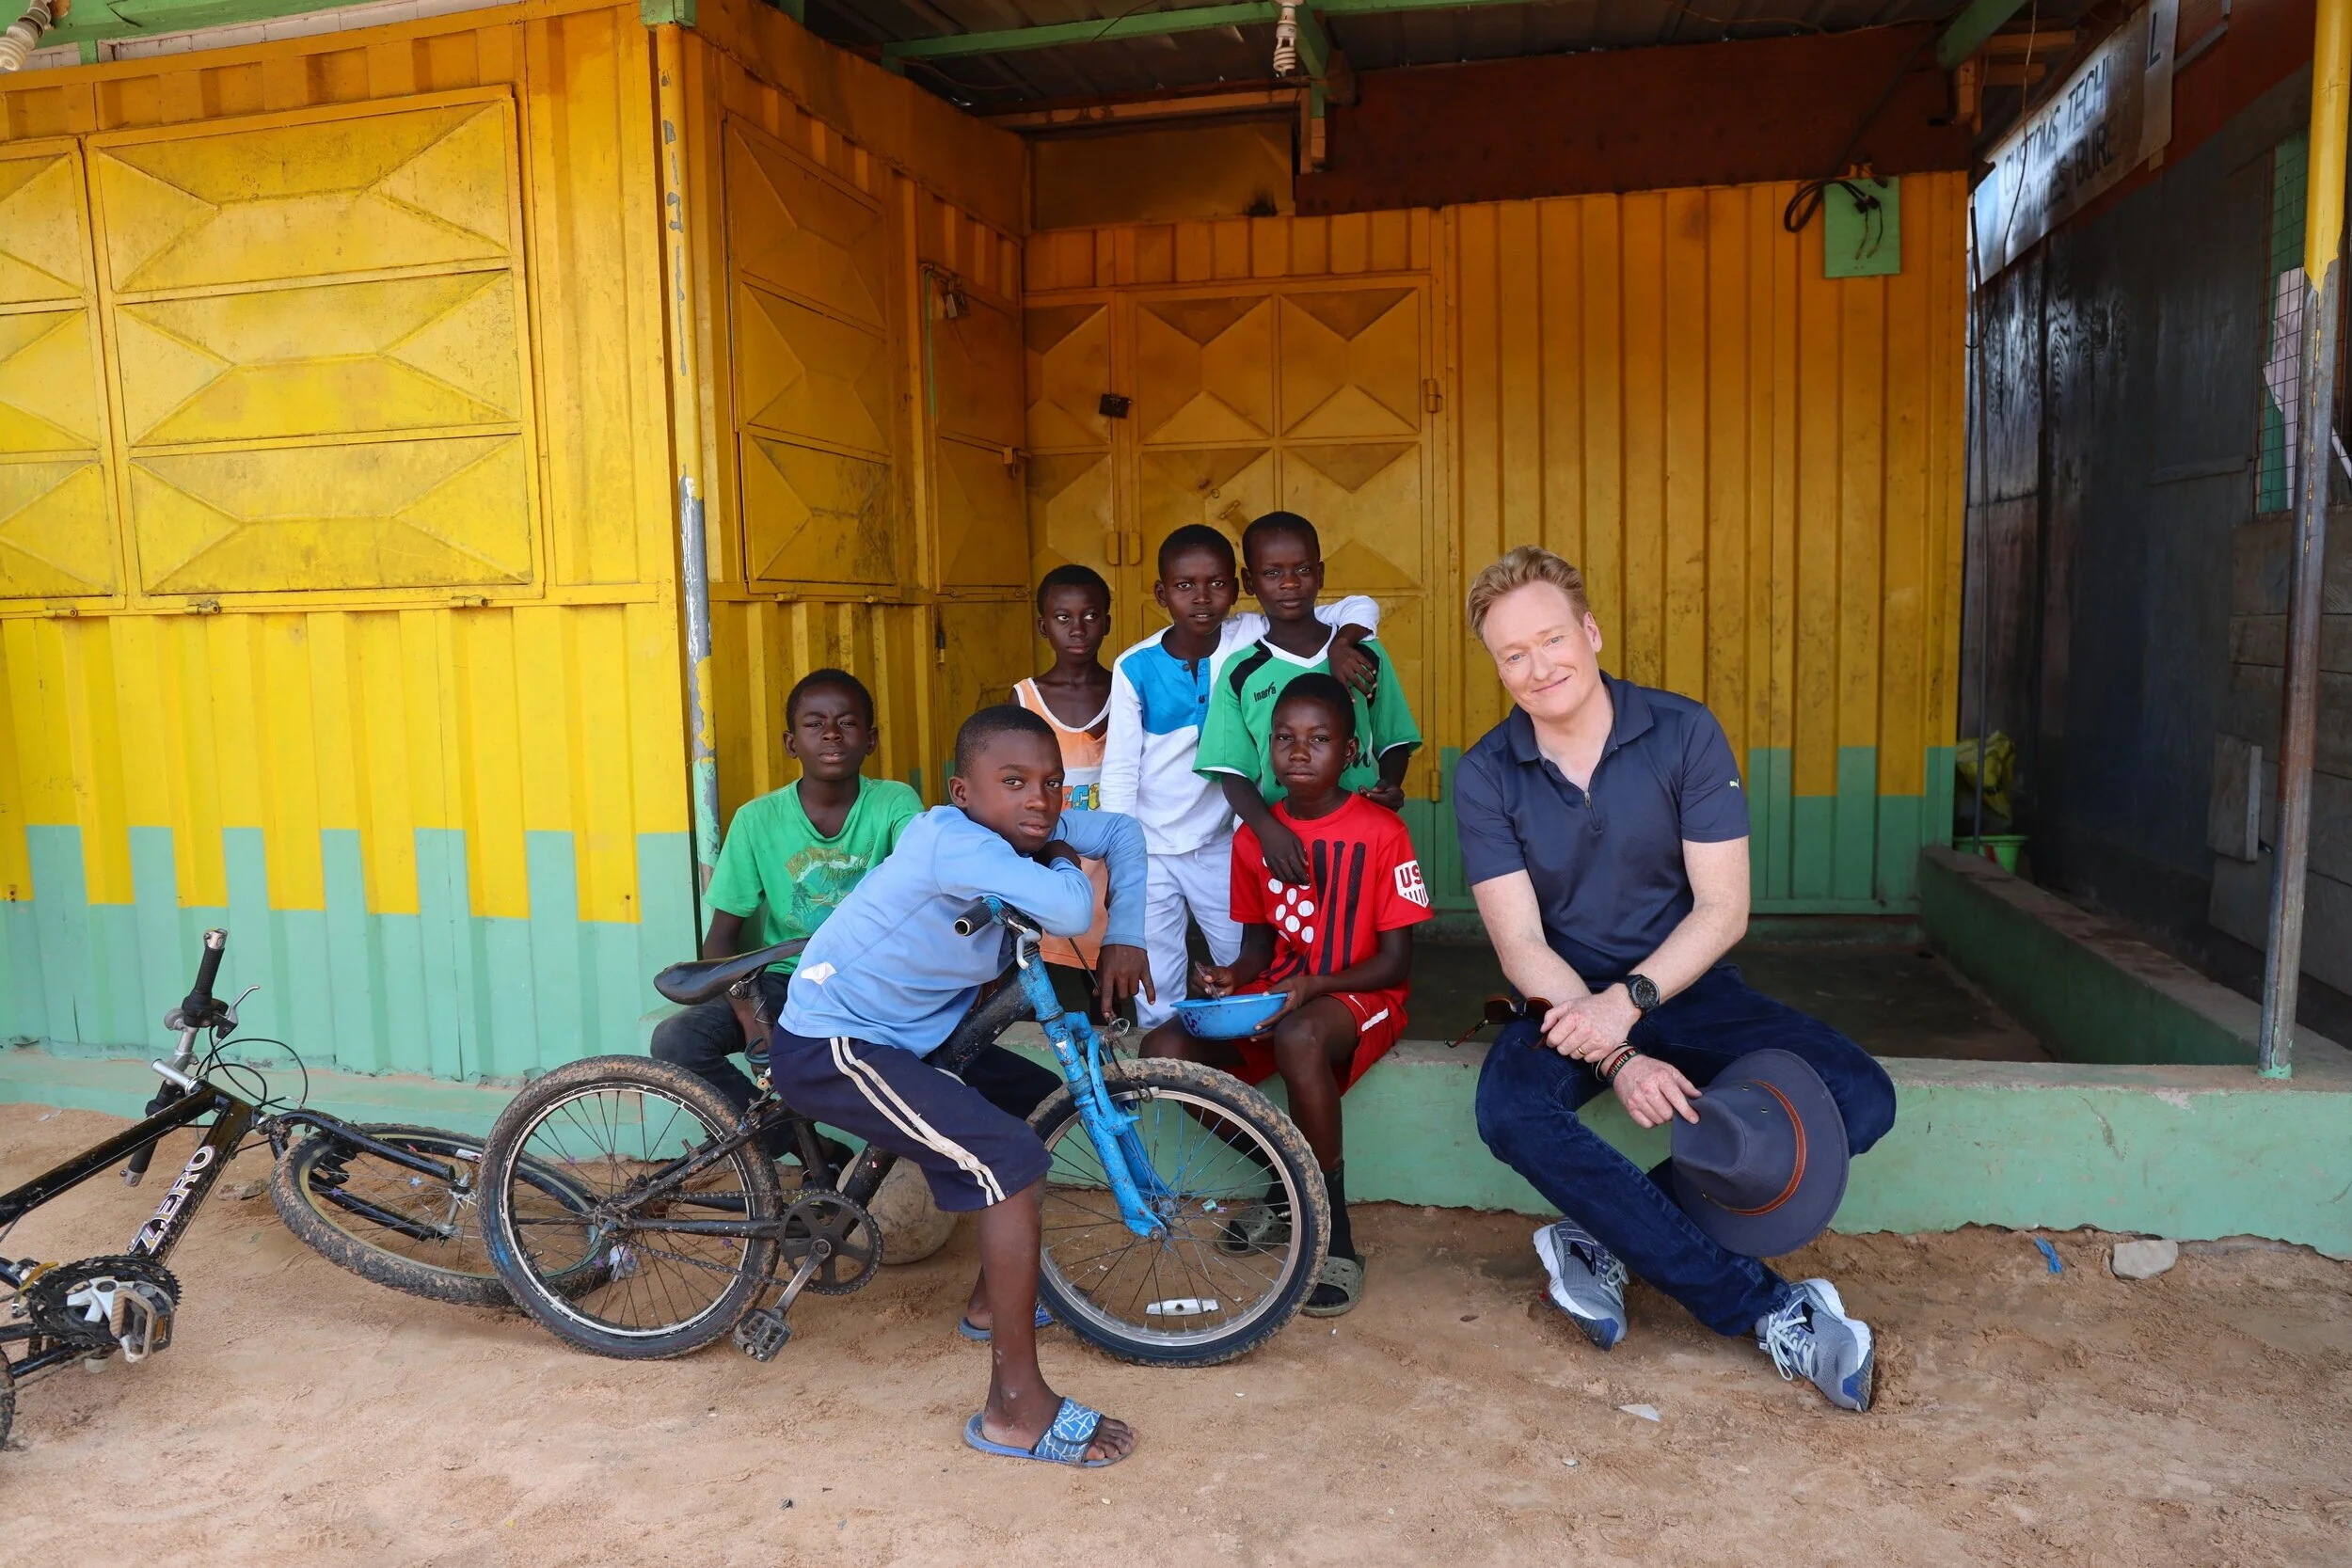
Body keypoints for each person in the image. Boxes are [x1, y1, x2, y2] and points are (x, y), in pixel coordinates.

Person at [1452, 545, 1897, 1414]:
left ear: (1591, 631)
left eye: (1551, 639)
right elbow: (1519, 945)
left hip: (1686, 985)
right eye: (1513, 654)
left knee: (1861, 1096)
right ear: (1497, 666)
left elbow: (1723, 909)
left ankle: (1608, 1240)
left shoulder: (1683, 731)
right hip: (1564, 999)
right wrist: (1614, 1052)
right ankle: (1767, 1308)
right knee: (1508, 1108)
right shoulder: (1485, 774)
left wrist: (1631, 1007)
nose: (1538, 667)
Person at [770, 705, 1146, 1466]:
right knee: (1008, 1161)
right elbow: (1073, 906)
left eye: (1052, 784)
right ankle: (1014, 1408)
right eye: (1014, 783)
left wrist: (1130, 933)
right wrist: (1065, 856)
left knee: (1034, 1111)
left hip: (912, 1038)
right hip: (835, 1041)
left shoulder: (1029, 834)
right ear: (963, 791)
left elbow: (1128, 836)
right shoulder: (951, 838)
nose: (1040, 801)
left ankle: (988, 1304)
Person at [1141, 673, 1429, 1318]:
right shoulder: (1256, 838)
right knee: (1164, 1044)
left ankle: (1335, 1238)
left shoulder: (1381, 832)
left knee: (1301, 1037)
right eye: (1284, 738)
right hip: (1289, 986)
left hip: (1360, 992)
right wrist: (1230, 976)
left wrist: (1314, 986)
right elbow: (1258, 948)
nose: (1299, 751)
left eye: (1319, 738)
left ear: (1351, 751)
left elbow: (1395, 960)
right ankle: (1286, 1184)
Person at [1100, 523, 1384, 1031]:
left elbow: (1358, 605)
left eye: (1217, 583)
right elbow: (1119, 774)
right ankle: (1166, 1073)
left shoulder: (1249, 635)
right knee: (1157, 983)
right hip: (1150, 850)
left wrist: (1344, 641)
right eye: (1185, 586)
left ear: (1239, 586)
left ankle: (1247, 1073)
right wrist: (1122, 867)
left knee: (1246, 964)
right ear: (1162, 593)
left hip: (1222, 844)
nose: (1203, 598)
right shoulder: (1134, 666)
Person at [651, 670, 929, 1157]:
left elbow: (924, 889)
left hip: (872, 981)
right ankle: (812, 1154)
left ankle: (899, 1167)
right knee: (677, 1041)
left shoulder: (893, 804)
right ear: (790, 742)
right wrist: (750, 1017)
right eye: (814, 723)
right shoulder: (758, 820)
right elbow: (720, 939)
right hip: (784, 981)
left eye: (847, 722)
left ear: (871, 739)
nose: (831, 734)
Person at [1196, 511, 1422, 889]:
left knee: (1365, 935)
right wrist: (1267, 831)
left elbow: (1394, 739)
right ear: (1250, 581)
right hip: (1282, 840)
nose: (1289, 583)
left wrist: (1389, 785)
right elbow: (1231, 770)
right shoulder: (1241, 670)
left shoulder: (1365, 654)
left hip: (1363, 831)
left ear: (1320, 574)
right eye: (1272, 573)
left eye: (1302, 570)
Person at [1012, 564, 1123, 1021]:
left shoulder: (1127, 689)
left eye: (1091, 616)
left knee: (1114, 992)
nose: (1078, 629)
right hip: (1054, 859)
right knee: (1046, 986)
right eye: (1063, 618)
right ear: (1043, 625)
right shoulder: (1024, 699)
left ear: (1107, 623)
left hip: (1113, 861)